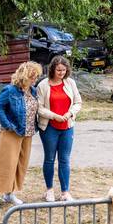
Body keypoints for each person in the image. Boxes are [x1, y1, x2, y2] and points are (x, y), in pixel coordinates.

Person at [0, 61, 42, 213]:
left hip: (28, 133)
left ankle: (10, 193)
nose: (35, 79)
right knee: (6, 164)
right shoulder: (10, 90)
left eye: (36, 76)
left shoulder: (32, 91)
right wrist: (7, 125)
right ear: (24, 76)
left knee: (21, 164)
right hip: (11, 132)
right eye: (33, 76)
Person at [35, 54, 82, 201]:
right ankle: (49, 190)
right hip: (49, 127)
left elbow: (78, 102)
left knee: (64, 159)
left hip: (67, 126)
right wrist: (54, 116)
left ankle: (65, 192)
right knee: (49, 159)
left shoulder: (70, 83)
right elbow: (39, 108)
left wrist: (70, 113)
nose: (61, 73)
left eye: (64, 70)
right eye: (58, 70)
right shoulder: (43, 85)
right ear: (52, 70)